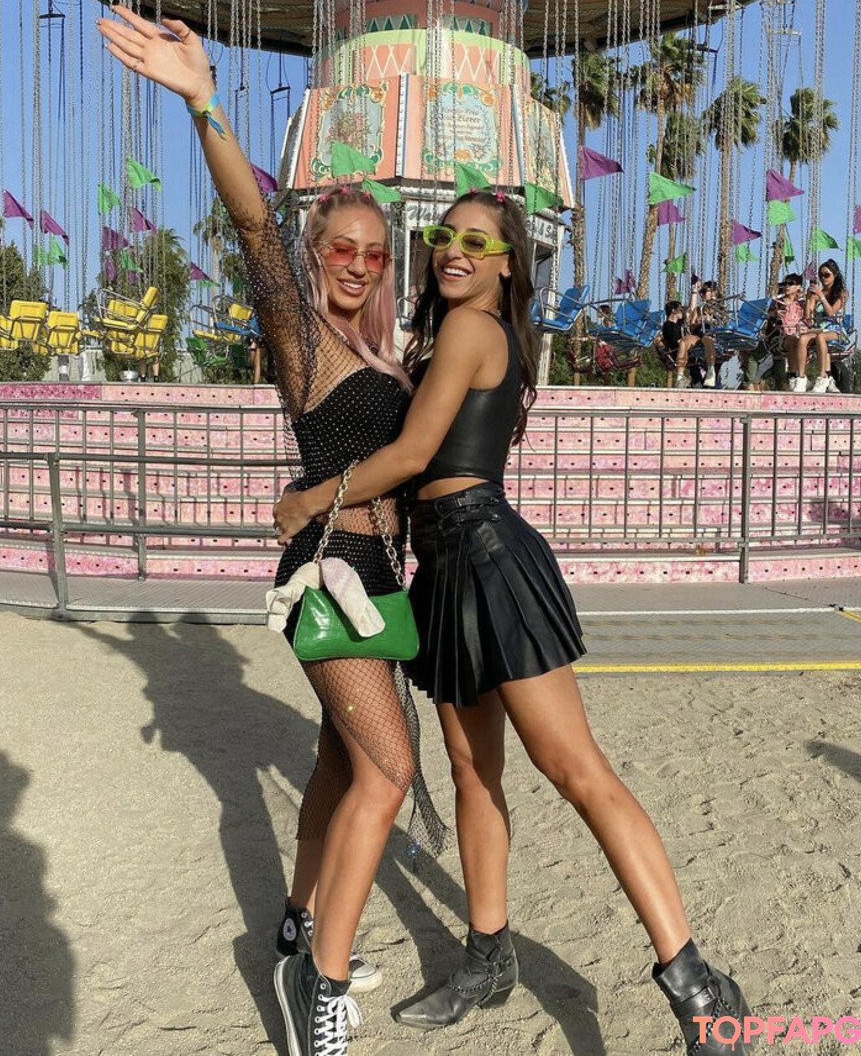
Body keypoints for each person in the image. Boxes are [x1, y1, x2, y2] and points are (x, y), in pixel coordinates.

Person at [274, 190, 755, 1055]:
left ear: (507, 263)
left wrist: (310, 500)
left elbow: (414, 454)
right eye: (443, 235)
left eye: (476, 240)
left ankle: (700, 988)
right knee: (472, 771)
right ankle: (489, 958)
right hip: (445, 568)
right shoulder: (445, 335)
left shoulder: (469, 328)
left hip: (489, 558)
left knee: (576, 770)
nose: (453, 250)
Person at [98, 5, 446, 1056]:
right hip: (327, 570)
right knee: (388, 770)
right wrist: (205, 104)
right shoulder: (306, 341)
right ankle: (317, 988)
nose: (357, 264)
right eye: (341, 246)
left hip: (378, 574)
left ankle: (299, 928)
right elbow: (254, 224)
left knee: (341, 766)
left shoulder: (388, 359)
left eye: (374, 253)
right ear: (317, 251)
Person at [800, 260, 848, 394]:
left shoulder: (842, 293)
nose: (823, 278)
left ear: (835, 275)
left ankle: (822, 376)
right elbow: (807, 317)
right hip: (818, 328)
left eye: (826, 275)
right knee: (803, 339)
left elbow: (831, 312)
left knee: (821, 337)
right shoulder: (816, 295)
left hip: (834, 329)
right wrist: (808, 299)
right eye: (821, 275)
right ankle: (800, 377)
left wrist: (821, 296)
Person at [774, 273, 810, 392]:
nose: (787, 286)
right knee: (794, 341)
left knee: (803, 340)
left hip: (801, 334)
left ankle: (798, 375)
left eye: (791, 284)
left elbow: (809, 317)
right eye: (785, 284)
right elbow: (769, 315)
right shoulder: (778, 302)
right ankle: (795, 375)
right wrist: (776, 314)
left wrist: (808, 298)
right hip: (783, 336)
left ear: (798, 286)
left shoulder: (801, 303)